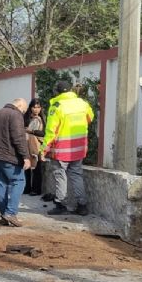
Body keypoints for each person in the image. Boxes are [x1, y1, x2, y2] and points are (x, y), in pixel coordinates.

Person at [41, 80, 94, 216]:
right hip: (79, 148)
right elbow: (90, 118)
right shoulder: (82, 103)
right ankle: (82, 206)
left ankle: (61, 204)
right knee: (76, 175)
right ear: (70, 90)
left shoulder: (57, 106)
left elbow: (51, 131)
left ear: (57, 92)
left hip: (61, 150)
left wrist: (44, 149)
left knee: (60, 176)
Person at [0, 98, 32, 226]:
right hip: (8, 156)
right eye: (23, 110)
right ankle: (10, 213)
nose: (23, 113)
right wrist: (26, 157)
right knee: (19, 181)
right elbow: (19, 137)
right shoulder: (15, 114)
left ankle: (4, 215)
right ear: (20, 105)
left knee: (1, 185)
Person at [24, 98, 45, 196]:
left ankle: (36, 189)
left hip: (37, 146)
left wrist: (31, 131)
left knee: (37, 167)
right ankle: (27, 188)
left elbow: (43, 133)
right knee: (27, 167)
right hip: (27, 144)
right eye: (34, 107)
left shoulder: (41, 119)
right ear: (30, 108)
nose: (36, 109)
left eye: (38, 107)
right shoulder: (27, 118)